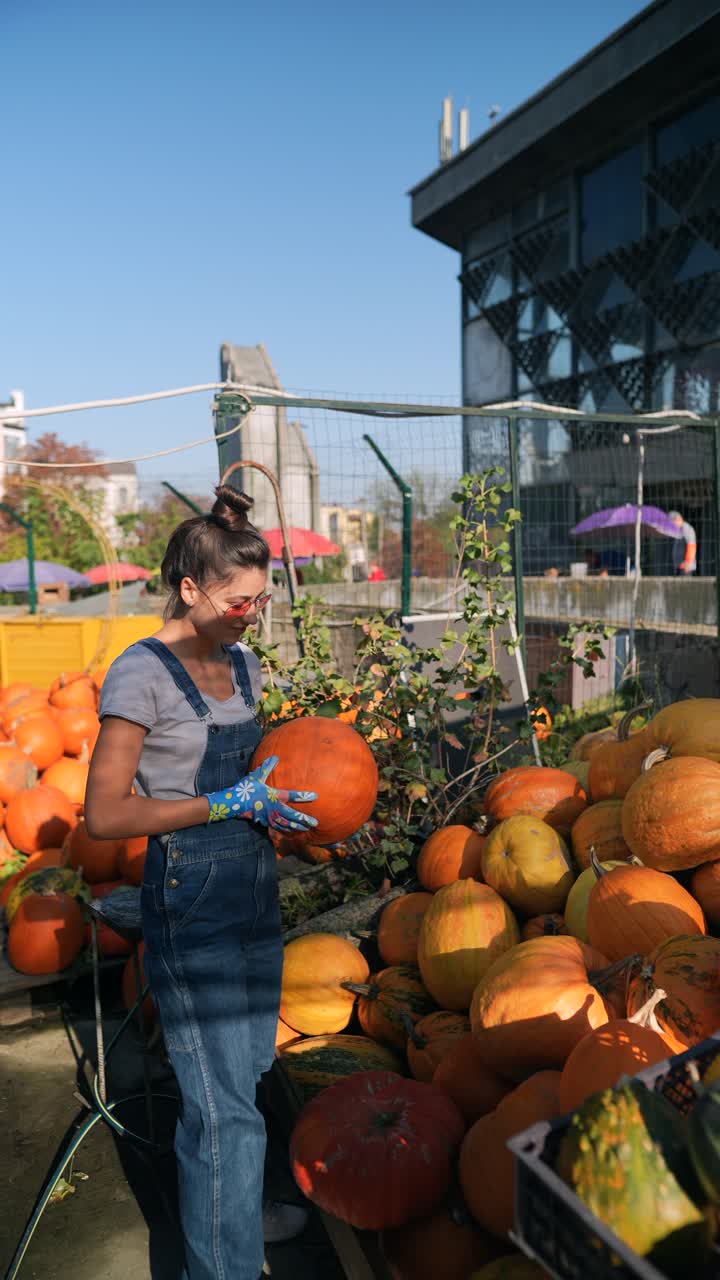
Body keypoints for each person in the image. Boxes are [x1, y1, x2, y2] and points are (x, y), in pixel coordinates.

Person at [85, 485, 317, 1280]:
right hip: (192, 903)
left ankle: (235, 1217)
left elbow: (253, 774)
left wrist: (273, 809)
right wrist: (222, 801)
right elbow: (105, 817)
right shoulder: (137, 675)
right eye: (237, 599)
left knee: (246, 1078)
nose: (251, 613)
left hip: (252, 888)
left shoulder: (243, 662)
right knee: (219, 1109)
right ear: (190, 589)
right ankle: (223, 1267)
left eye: (259, 599)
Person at [669, 510, 697, 574]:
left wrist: (688, 563)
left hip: (686, 568)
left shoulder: (687, 529)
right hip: (680, 567)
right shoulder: (679, 530)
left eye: (672, 522)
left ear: (677, 519)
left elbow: (691, 546)